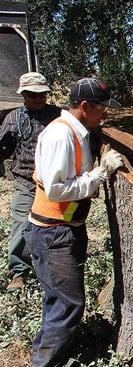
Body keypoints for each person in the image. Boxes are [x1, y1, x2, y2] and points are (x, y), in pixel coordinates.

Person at [23, 77, 124, 367]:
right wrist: (99, 174)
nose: (105, 114)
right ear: (85, 107)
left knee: (58, 298)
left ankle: (46, 352)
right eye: (102, 108)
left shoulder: (78, 133)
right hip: (53, 232)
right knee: (69, 302)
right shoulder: (60, 136)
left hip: (65, 230)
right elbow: (55, 190)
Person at [0, 72, 61, 291]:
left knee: (57, 226)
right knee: (22, 225)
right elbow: (2, 147)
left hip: (55, 183)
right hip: (25, 181)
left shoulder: (59, 116)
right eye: (32, 94)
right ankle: (18, 272)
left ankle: (55, 269)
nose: (37, 98)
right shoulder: (13, 118)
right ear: (23, 95)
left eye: (42, 94)